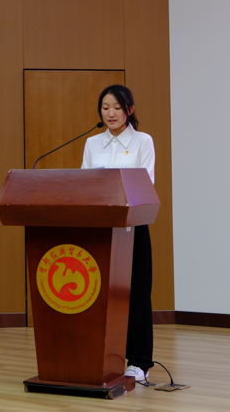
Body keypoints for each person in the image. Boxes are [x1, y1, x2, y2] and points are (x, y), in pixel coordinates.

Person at [80, 84, 154, 383]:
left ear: (129, 110)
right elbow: (84, 185)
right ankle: (103, 357)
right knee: (101, 295)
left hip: (132, 228)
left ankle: (139, 362)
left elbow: (145, 183)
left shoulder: (142, 142)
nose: (110, 113)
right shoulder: (92, 143)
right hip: (100, 230)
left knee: (135, 294)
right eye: (105, 107)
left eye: (117, 107)